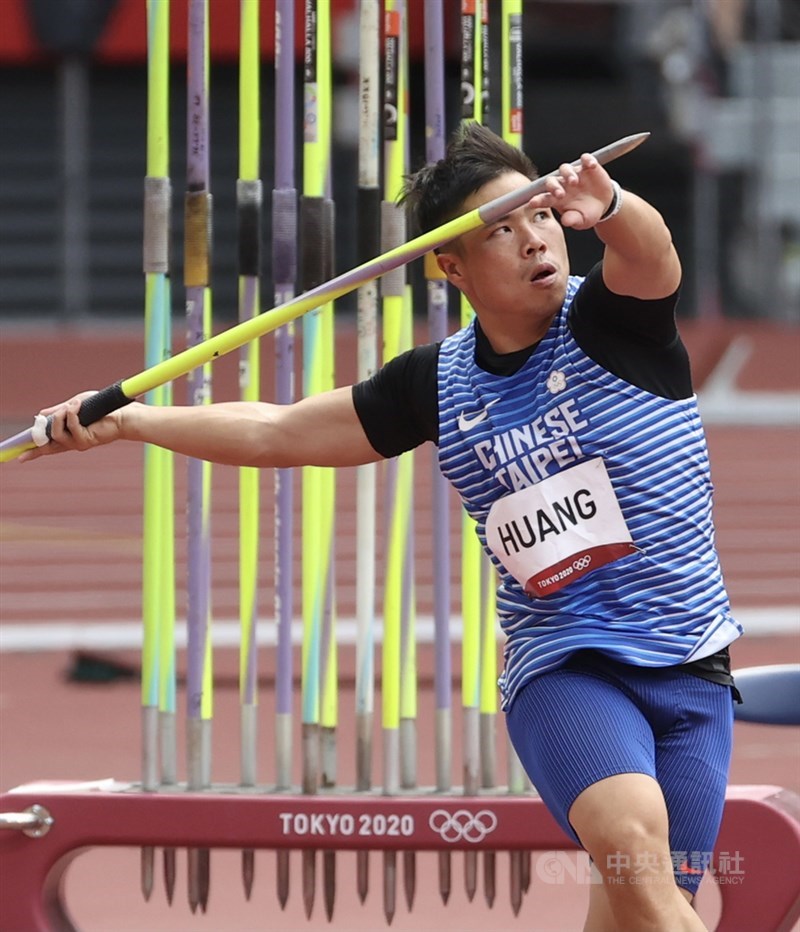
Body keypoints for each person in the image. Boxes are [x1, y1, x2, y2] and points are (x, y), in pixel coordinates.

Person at [22, 122, 741, 931]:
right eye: (501, 229)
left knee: (647, 910)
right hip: (568, 666)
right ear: (451, 266)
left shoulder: (612, 326)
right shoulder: (435, 385)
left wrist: (608, 203)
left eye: (539, 215)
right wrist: (134, 423)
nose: (534, 240)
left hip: (691, 665)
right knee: (634, 851)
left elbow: (653, 256)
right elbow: (279, 432)